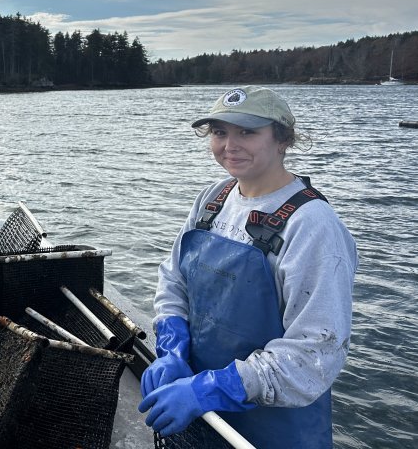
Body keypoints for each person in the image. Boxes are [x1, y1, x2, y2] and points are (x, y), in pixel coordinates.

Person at [138, 86, 357, 449]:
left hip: (273, 431)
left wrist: (209, 388)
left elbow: (315, 353)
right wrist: (172, 348)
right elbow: (173, 279)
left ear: (282, 139)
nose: (230, 145)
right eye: (220, 132)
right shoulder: (214, 198)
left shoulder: (312, 225)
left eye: (247, 132)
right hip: (201, 417)